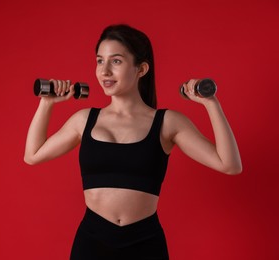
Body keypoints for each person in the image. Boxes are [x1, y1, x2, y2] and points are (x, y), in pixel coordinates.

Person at [24, 24, 242, 260]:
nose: (104, 71)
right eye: (99, 61)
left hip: (145, 243)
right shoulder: (84, 119)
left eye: (116, 61)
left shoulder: (168, 122)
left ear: (141, 68)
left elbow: (229, 164)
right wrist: (46, 104)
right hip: (92, 243)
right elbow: (33, 155)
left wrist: (212, 103)